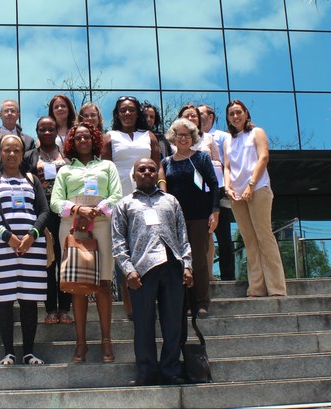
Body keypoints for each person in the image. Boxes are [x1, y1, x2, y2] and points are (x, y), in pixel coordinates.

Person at [112, 158, 194, 386]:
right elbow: (118, 241)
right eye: (142, 169)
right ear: (134, 175)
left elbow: (183, 236)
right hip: (142, 270)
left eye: (151, 169)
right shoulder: (124, 204)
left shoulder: (171, 201)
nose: (147, 172)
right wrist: (128, 270)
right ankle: (147, 372)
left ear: (157, 174)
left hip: (172, 267)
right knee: (143, 324)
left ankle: (171, 370)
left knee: (173, 324)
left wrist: (187, 266)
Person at [50, 122, 123, 364]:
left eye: (87, 136)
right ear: (72, 142)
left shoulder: (107, 166)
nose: (83, 140)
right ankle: (80, 343)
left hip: (102, 225)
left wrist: (96, 210)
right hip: (72, 227)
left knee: (103, 284)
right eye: (78, 137)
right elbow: (55, 202)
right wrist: (78, 208)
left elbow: (117, 195)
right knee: (77, 285)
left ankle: (106, 340)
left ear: (94, 140)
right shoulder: (65, 170)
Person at [0, 134, 50, 366]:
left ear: (22, 154)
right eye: (7, 150)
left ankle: (28, 352)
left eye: (16, 150)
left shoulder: (31, 180)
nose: (11, 154)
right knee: (4, 301)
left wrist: (32, 235)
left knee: (30, 302)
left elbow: (44, 210)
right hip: (1, 250)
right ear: (0, 153)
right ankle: (8, 352)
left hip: (33, 249)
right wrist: (7, 237)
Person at [102, 96, 161, 318]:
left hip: (148, 201)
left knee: (148, 249)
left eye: (131, 110)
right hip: (120, 203)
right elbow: (105, 171)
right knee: (125, 253)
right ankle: (130, 308)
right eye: (123, 111)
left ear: (138, 113)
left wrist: (163, 191)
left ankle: (150, 302)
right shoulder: (110, 137)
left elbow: (158, 166)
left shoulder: (150, 137)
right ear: (117, 114)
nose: (127, 114)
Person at [223, 100, 287, 297]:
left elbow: (263, 158)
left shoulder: (256, 132)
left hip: (258, 188)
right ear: (228, 118)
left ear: (245, 113)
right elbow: (227, 166)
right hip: (237, 194)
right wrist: (227, 187)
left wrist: (251, 184)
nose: (235, 116)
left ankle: (276, 288)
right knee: (249, 241)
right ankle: (256, 288)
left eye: (238, 112)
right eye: (231, 114)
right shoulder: (227, 140)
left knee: (263, 235)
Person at [160, 118, 220, 319]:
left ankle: (201, 303)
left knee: (199, 261)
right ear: (173, 137)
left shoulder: (201, 158)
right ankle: (184, 303)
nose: (183, 138)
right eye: (179, 134)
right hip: (175, 219)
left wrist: (215, 211)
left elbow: (213, 185)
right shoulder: (165, 162)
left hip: (199, 216)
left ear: (193, 137)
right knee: (177, 262)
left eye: (187, 135)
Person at [24, 116, 73, 325]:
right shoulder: (29, 156)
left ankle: (65, 308)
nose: (46, 133)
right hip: (42, 215)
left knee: (65, 261)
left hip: (65, 214)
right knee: (47, 262)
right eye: (42, 129)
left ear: (56, 131)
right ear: (36, 131)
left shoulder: (67, 154)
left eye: (50, 129)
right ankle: (50, 309)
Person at [198, 103, 236, 281]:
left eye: (201, 113)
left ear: (210, 116)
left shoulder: (222, 137)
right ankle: (207, 274)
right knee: (203, 237)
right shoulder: (190, 137)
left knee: (223, 236)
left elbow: (228, 163)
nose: (197, 116)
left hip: (219, 190)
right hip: (199, 191)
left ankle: (228, 277)